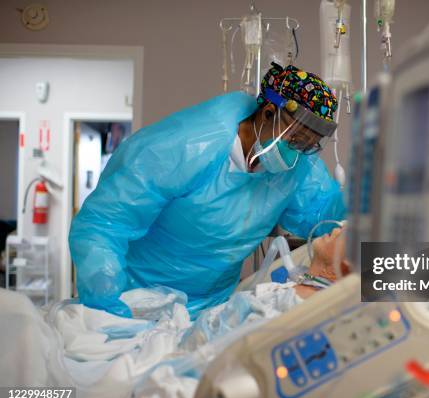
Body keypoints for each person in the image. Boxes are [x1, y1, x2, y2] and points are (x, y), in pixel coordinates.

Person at [69, 63, 345, 318]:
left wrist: (369, 197)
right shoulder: (184, 146)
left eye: (308, 145)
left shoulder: (297, 167)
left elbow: (325, 215)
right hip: (136, 300)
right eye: (295, 139)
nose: (297, 153)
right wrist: (108, 307)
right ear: (268, 113)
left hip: (214, 310)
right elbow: (104, 225)